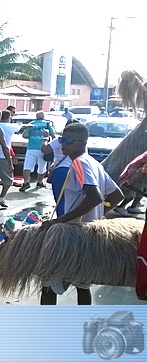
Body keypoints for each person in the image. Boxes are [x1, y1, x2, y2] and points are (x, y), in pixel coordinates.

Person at [40, 123, 124, 305]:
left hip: (73, 234)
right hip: (89, 233)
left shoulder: (79, 163)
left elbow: (95, 196)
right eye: (62, 139)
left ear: (82, 142)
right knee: (82, 284)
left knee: (48, 280)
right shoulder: (94, 163)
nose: (62, 145)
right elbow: (116, 195)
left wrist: (59, 221)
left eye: (68, 141)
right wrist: (99, 212)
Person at [0, 110, 30, 207]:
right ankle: (1, 198)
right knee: (8, 180)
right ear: (9, 118)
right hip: (4, 156)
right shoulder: (10, 126)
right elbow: (23, 126)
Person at [19, 111, 55, 192]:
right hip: (43, 148)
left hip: (31, 148)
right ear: (44, 117)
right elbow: (53, 135)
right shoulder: (47, 124)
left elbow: (24, 135)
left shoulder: (31, 124)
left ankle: (26, 182)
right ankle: (39, 182)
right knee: (42, 166)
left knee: (27, 166)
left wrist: (31, 137)